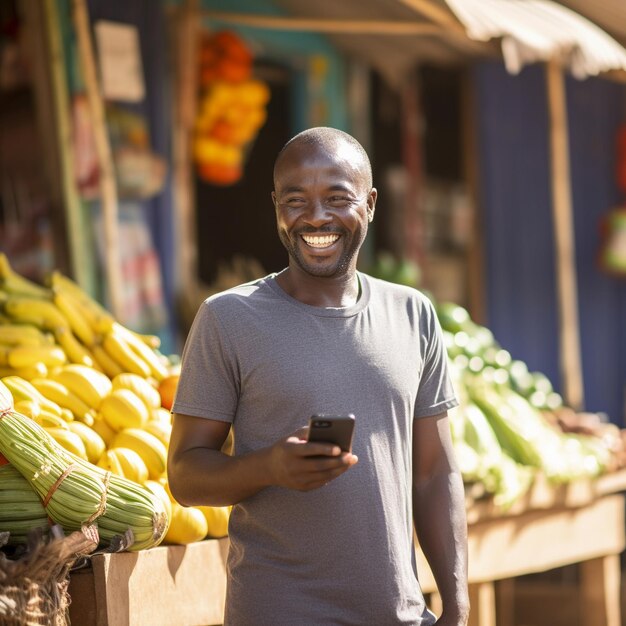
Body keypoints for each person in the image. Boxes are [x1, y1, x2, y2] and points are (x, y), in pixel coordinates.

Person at [167, 127, 469, 626]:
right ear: (275, 207)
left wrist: (457, 606)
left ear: (370, 203)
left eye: (337, 198)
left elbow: (436, 473)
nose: (316, 217)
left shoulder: (413, 314)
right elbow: (184, 475)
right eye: (295, 200)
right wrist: (270, 467)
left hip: (399, 615)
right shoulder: (227, 319)